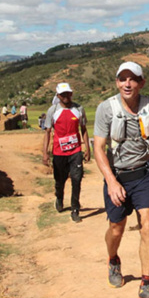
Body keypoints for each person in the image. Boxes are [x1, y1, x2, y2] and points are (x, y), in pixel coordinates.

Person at [93, 61, 149, 298]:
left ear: (141, 83)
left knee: (148, 224)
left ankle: (146, 285)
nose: (127, 84)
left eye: (132, 79)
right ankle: (113, 259)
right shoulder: (106, 109)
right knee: (116, 228)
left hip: (143, 174)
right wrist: (111, 181)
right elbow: (98, 147)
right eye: (122, 79)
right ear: (117, 82)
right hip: (116, 175)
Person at [42, 83, 91, 222]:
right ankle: (59, 197)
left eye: (68, 93)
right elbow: (47, 132)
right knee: (60, 180)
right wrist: (45, 153)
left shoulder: (79, 109)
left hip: (75, 151)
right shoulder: (53, 111)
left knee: (77, 179)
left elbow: (84, 129)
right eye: (63, 94)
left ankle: (75, 209)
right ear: (58, 96)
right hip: (59, 152)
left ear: (71, 94)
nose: (66, 96)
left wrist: (87, 149)